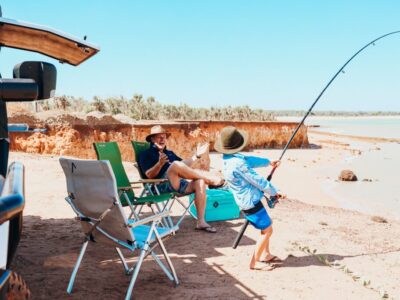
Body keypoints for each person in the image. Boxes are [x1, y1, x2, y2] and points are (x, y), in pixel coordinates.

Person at [214, 126, 284, 270]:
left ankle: (265, 254)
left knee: (265, 226)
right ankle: (255, 262)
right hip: (250, 204)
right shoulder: (238, 164)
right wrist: (274, 191)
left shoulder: (230, 159)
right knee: (268, 230)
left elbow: (250, 160)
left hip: (247, 201)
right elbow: (257, 180)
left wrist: (268, 162)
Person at [138, 125, 225, 233]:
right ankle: (210, 180)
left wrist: (196, 156)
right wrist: (159, 164)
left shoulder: (169, 153)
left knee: (200, 182)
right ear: (152, 139)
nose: (162, 139)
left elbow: (184, 167)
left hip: (178, 183)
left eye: (164, 137)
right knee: (175, 165)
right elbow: (149, 175)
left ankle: (201, 222)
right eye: (158, 137)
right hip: (159, 186)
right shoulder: (145, 154)